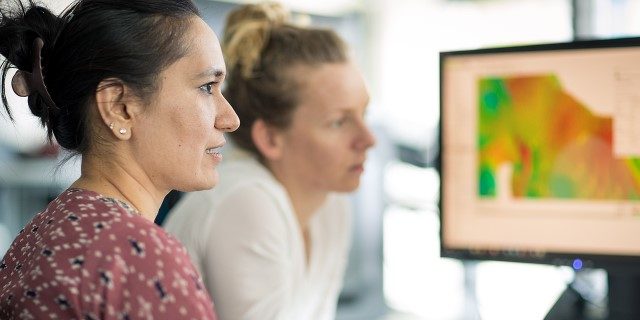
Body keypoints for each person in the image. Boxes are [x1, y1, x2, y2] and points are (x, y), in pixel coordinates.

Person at [0, 0, 239, 319]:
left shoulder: (38, 234)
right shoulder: (137, 255)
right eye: (207, 87)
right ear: (119, 107)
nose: (230, 118)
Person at [163, 2, 376, 319]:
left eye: (363, 114)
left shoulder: (330, 204)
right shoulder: (246, 200)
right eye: (338, 122)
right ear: (271, 138)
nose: (368, 139)